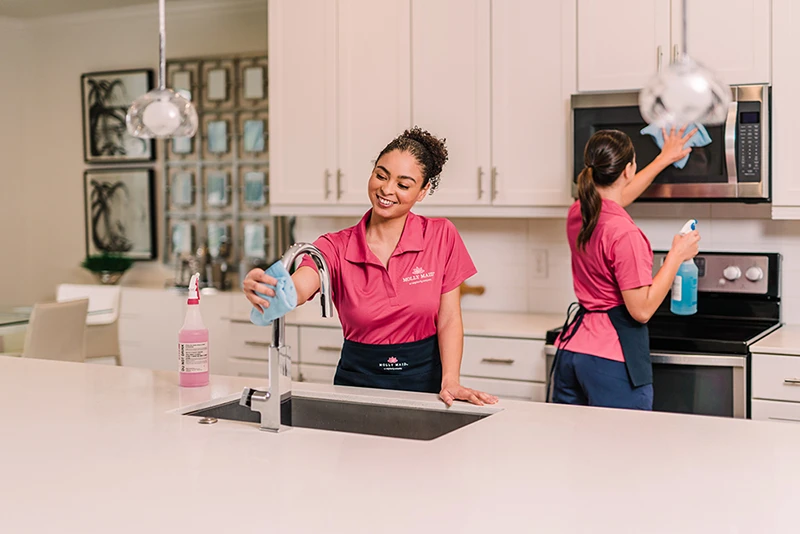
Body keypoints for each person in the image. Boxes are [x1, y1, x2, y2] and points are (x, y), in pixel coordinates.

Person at [243, 127, 498, 407]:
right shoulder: (335, 246)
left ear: (423, 191)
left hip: (425, 385)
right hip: (356, 386)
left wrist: (451, 379)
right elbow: (299, 287)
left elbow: (449, 319)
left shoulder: (441, 235)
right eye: (381, 175)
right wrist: (266, 288)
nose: (386, 190)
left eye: (403, 185)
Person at [551, 127, 701, 410]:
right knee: (625, 449)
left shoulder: (579, 211)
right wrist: (676, 256)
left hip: (573, 351)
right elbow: (641, 310)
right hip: (610, 357)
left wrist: (662, 159)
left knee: (573, 447)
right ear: (628, 170)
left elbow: (617, 196)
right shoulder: (625, 234)